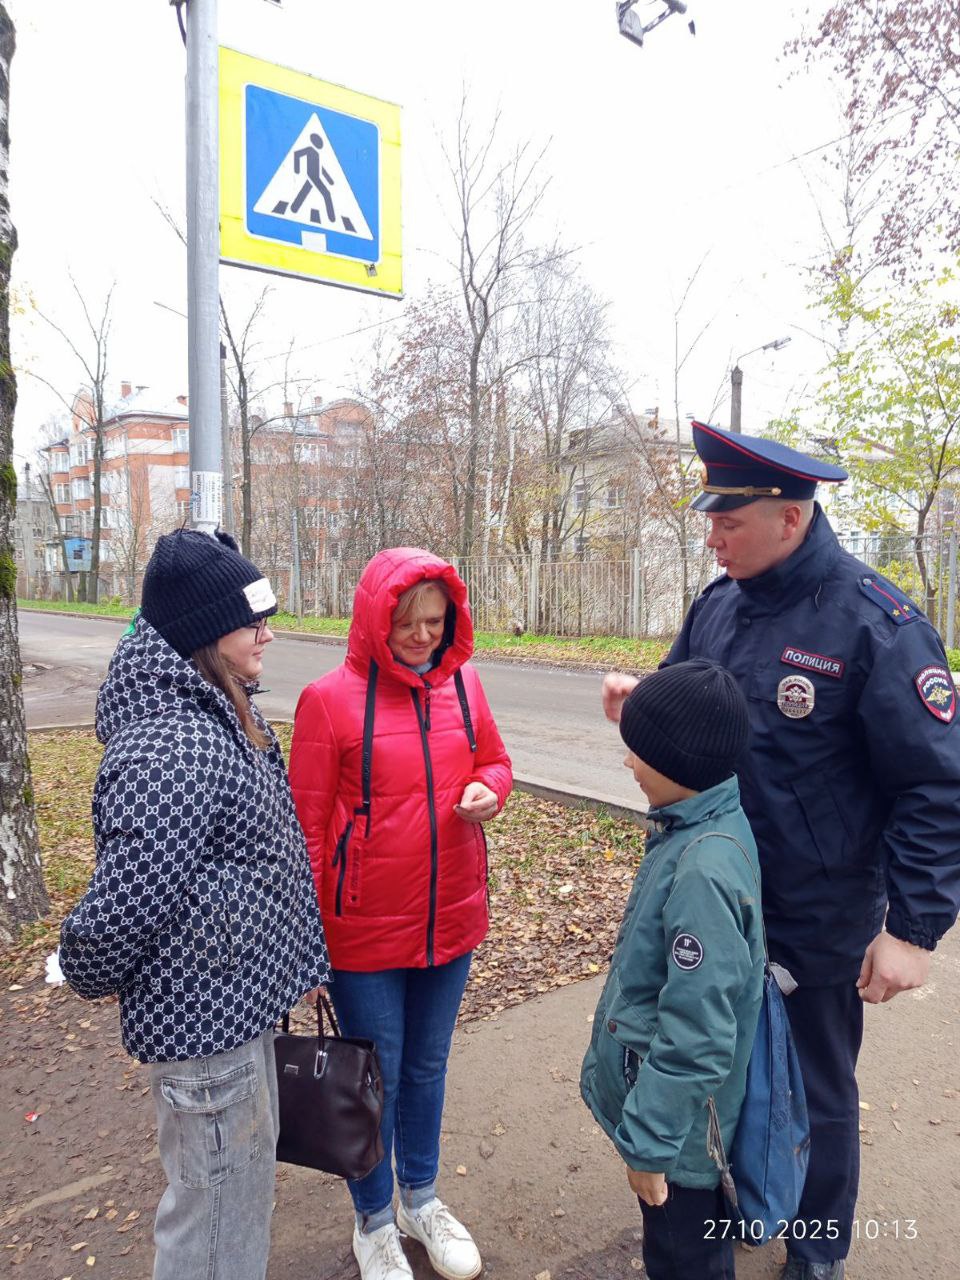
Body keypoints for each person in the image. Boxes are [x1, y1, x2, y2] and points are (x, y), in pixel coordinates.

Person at [602, 422, 960, 1280]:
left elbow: (936, 784)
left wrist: (912, 928)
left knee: (816, 1093)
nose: (711, 536)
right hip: (712, 903)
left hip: (817, 916)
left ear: (790, 518)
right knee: (711, 1071)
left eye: (728, 522)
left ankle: (816, 1246)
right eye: (710, 520)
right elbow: (692, 706)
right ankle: (730, 1208)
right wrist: (644, 700)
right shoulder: (718, 603)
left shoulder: (879, 626)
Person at [59, 529, 330, 1280]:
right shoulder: (171, 742)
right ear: (207, 632)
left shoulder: (214, 709)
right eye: (254, 621)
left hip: (233, 1018)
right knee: (213, 1229)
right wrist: (78, 965)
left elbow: (262, 857)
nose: (269, 634)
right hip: (206, 1036)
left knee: (232, 1213)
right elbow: (128, 902)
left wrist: (300, 961)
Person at [290, 547, 513, 1280]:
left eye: (435, 621)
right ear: (375, 619)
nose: (422, 637)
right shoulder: (328, 700)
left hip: (450, 920)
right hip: (362, 936)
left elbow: (494, 761)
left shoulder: (464, 685)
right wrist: (306, 951)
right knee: (372, 1078)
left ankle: (421, 1195)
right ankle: (375, 1220)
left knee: (427, 1067)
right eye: (408, 623)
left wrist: (491, 789)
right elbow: (306, 832)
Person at [581, 659, 764, 1280]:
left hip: (683, 1139)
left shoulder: (702, 870)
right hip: (683, 1124)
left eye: (638, 752)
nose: (628, 763)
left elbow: (697, 1035)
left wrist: (649, 1147)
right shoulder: (704, 821)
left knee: (683, 1255)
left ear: (678, 766)